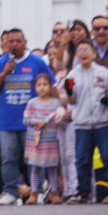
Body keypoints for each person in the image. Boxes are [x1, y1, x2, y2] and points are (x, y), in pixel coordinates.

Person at [0, 28, 53, 205]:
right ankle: (10, 192)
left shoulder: (37, 62)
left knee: (34, 158)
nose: (14, 44)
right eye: (11, 42)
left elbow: (51, 85)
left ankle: (37, 191)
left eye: (18, 41)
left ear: (25, 42)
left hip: (32, 121)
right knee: (8, 158)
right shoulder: (1, 62)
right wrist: (5, 73)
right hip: (7, 122)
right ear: (6, 44)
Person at [63, 40, 108, 203]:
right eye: (80, 50)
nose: (83, 53)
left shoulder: (104, 72)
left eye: (86, 50)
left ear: (94, 53)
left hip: (103, 123)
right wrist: (69, 92)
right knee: (82, 159)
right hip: (82, 124)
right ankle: (83, 193)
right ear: (76, 55)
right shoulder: (71, 75)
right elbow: (71, 100)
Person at [23, 73, 64, 204]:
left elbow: (60, 118)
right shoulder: (32, 103)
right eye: (39, 85)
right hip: (36, 142)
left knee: (52, 167)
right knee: (35, 167)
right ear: (35, 87)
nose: (42, 88)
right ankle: (34, 193)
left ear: (50, 87)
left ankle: (54, 193)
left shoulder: (56, 103)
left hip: (51, 140)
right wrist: (36, 121)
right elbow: (26, 120)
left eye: (45, 85)